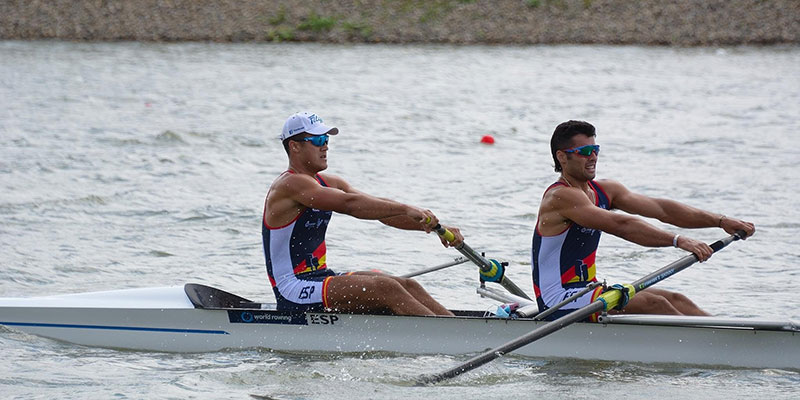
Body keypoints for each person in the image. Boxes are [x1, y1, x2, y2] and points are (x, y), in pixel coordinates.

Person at [531, 120, 755, 321]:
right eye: (585, 151)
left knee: (676, 300)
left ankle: (733, 336)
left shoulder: (606, 190)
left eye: (596, 149)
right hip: (557, 300)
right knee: (654, 304)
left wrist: (720, 220)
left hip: (587, 290)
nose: (593, 157)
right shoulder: (560, 196)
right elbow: (622, 225)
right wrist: (678, 240)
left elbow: (662, 209)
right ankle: (709, 350)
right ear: (562, 156)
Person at [262, 111, 463, 316]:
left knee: (408, 285)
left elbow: (380, 212)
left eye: (326, 139)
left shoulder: (329, 182)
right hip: (292, 288)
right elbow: (350, 204)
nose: (325, 145)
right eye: (317, 140)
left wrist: (437, 228)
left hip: (319, 277)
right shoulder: (290, 184)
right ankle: (452, 340)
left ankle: (458, 329)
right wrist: (406, 208)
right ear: (294, 146)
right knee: (387, 289)